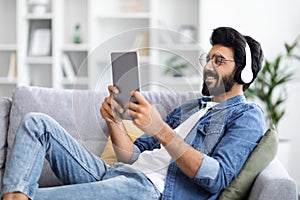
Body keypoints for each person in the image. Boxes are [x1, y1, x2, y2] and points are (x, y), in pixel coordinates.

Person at [1, 27, 265, 200]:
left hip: (147, 189)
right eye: (207, 59)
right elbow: (131, 156)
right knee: (37, 123)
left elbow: (216, 178)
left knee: (27, 196)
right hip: (116, 174)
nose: (208, 66)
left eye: (218, 60)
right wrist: (114, 122)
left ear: (243, 72)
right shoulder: (190, 108)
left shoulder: (247, 116)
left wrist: (161, 129)